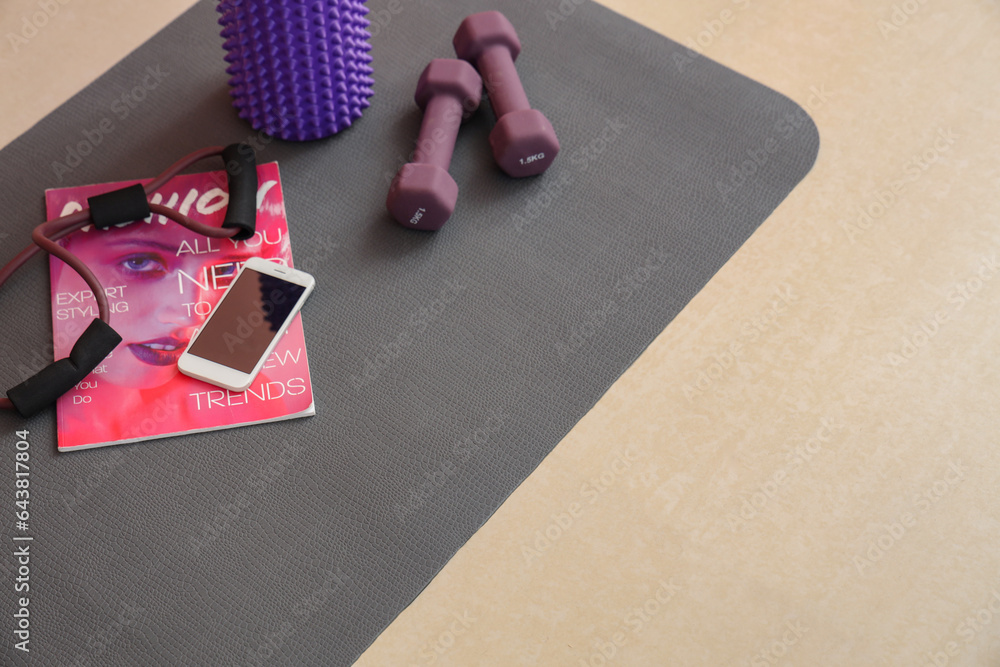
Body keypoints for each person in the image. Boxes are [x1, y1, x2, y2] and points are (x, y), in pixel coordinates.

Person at [47, 172, 309, 448]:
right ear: (63, 251)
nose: (190, 316)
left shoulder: (249, 406)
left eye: (228, 270)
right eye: (138, 262)